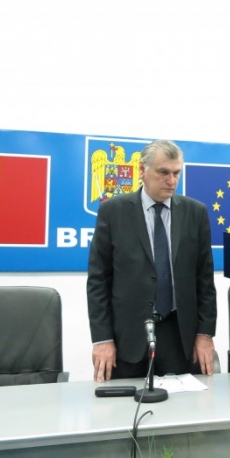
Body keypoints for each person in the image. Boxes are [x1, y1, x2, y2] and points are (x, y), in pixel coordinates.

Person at [87, 139, 217, 382]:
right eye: (163, 172)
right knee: (124, 404)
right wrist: (102, 339)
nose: (171, 180)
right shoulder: (113, 211)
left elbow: (205, 280)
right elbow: (98, 280)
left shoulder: (195, 213)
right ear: (142, 169)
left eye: (176, 173)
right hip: (127, 338)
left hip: (179, 336)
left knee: (184, 404)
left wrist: (205, 334)